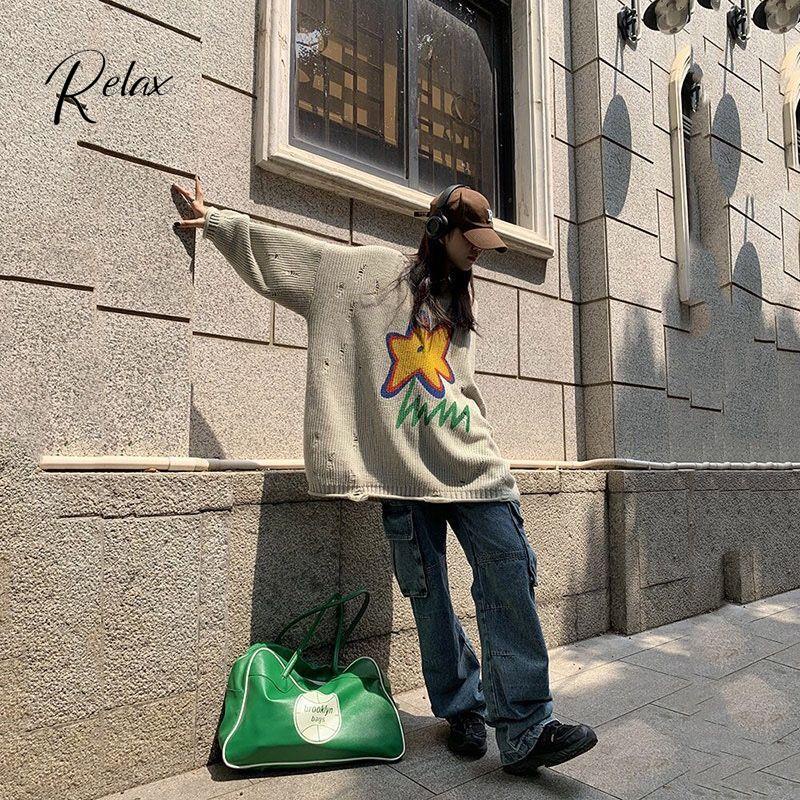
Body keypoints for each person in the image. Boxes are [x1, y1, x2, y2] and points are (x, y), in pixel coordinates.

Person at [173, 177, 598, 773]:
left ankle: (526, 729)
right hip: (400, 471)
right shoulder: (376, 276)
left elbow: (457, 387)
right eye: (471, 240)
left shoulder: (460, 302)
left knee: (508, 571)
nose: (478, 252)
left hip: (470, 464)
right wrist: (218, 222)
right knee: (428, 595)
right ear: (439, 231)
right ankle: (463, 706)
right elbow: (300, 262)